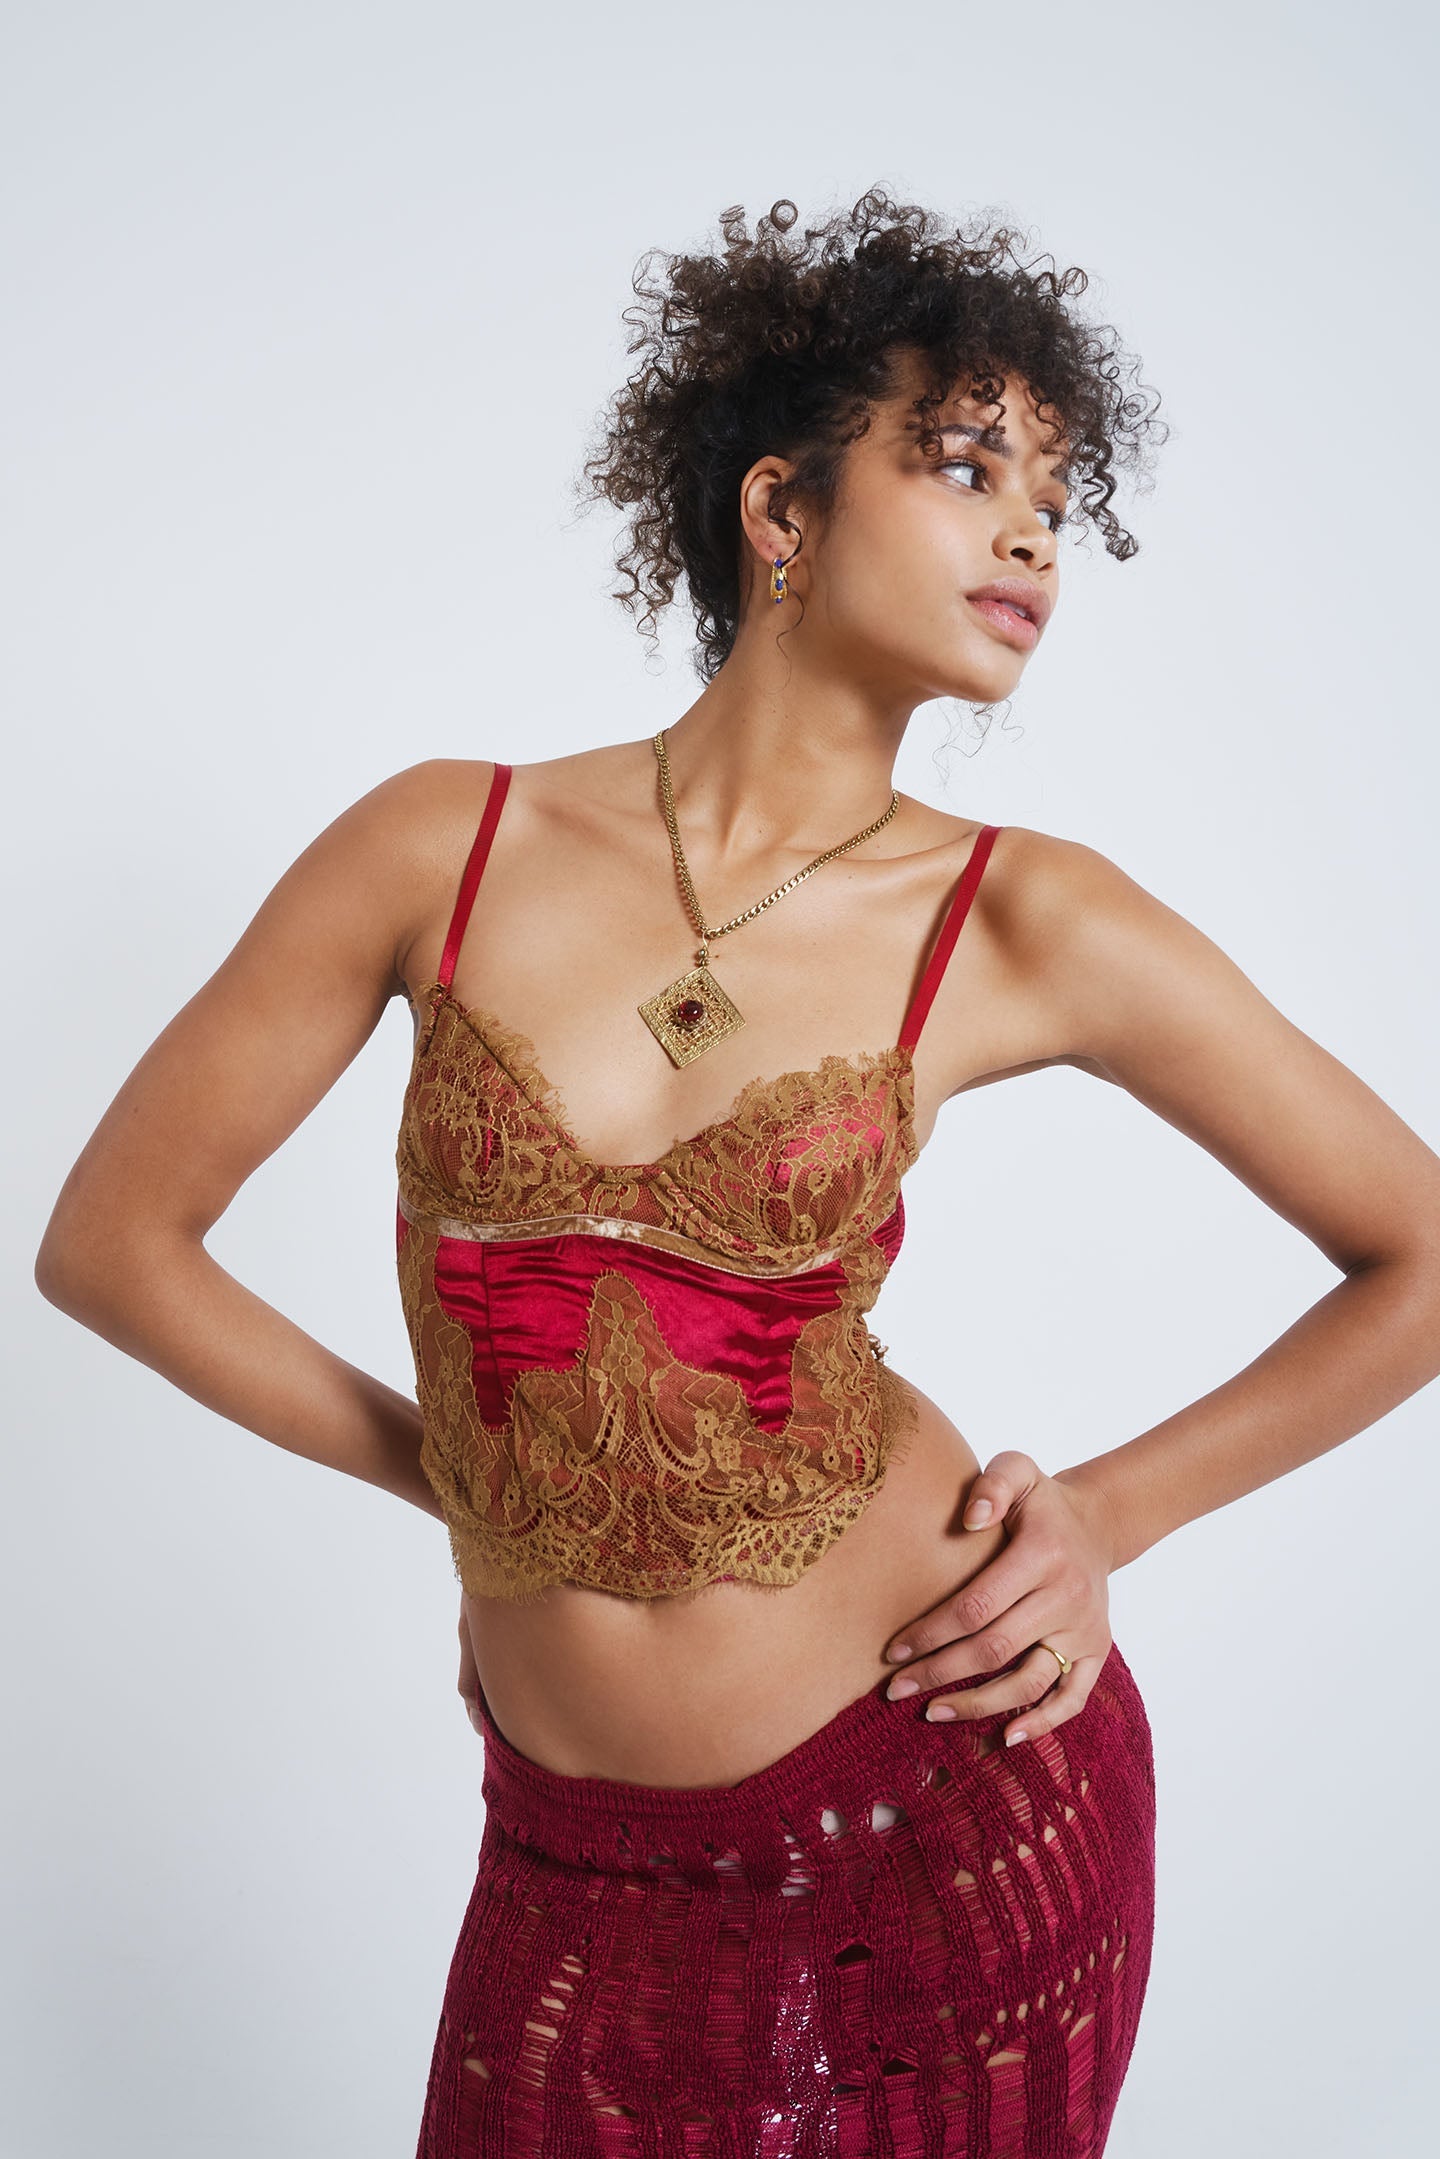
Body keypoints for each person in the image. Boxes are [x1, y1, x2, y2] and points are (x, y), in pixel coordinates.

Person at [34, 187, 1440, 2157]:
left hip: (944, 1802)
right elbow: (113, 1247)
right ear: (779, 510)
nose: (1034, 528)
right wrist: (472, 1475)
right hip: (573, 1855)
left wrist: (1111, 1515)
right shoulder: (439, 846)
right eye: (965, 466)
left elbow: (1422, 1250)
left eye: (1054, 490)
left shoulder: (1026, 919)